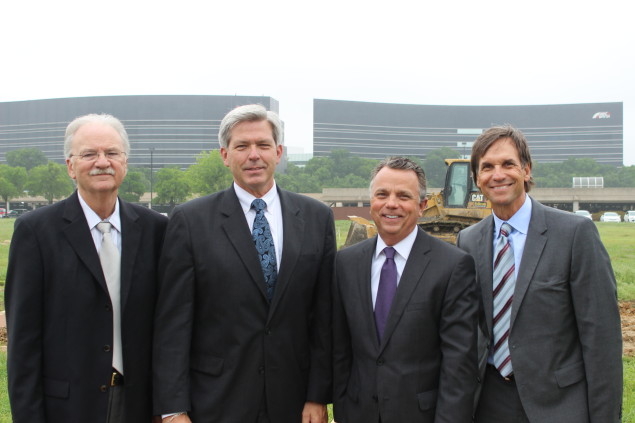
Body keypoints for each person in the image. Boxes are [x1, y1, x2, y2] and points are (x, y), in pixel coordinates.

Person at [152, 104, 336, 423]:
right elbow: (174, 322)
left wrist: (317, 395)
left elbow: (323, 315)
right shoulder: (190, 221)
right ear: (225, 155)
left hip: (293, 402)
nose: (254, 155)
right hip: (215, 401)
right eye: (242, 146)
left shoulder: (316, 218)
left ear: (278, 152)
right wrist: (172, 409)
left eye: (263, 145)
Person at [5, 114, 168, 422]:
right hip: (67, 407)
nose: (102, 162)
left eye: (112, 153)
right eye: (89, 154)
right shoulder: (36, 232)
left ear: (125, 162)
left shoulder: (156, 230)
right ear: (70, 166)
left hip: (140, 404)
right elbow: (23, 341)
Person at [456, 125, 623, 422]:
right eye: (487, 167)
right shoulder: (468, 241)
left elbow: (601, 340)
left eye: (508, 164)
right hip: (489, 404)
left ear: (527, 170)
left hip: (559, 405)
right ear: (477, 179)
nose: (498, 174)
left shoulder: (574, 234)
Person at [332, 156, 479, 423]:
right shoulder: (346, 263)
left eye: (403, 196)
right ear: (371, 202)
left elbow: (459, 365)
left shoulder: (452, 266)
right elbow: (340, 350)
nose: (391, 204)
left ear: (422, 205)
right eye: (382, 194)